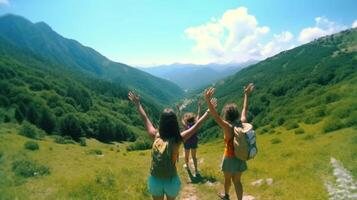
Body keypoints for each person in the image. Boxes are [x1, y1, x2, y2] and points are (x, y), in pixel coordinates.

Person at [128, 91, 214, 200]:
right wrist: (208, 110)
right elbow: (197, 126)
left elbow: (145, 118)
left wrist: (137, 104)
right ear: (175, 123)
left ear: (161, 122)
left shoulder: (155, 135)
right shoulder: (177, 139)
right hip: (171, 180)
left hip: (155, 180)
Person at [204, 83, 254, 200]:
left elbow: (215, 116)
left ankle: (226, 196)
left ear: (226, 115)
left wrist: (208, 100)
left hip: (229, 157)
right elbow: (245, 109)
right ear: (236, 114)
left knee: (227, 180)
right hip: (241, 156)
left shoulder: (227, 126)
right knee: (237, 181)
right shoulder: (242, 122)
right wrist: (246, 94)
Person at [177, 99, 202, 176]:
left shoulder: (186, 126)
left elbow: (179, 118)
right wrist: (199, 106)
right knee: (194, 157)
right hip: (194, 142)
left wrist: (178, 110)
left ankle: (187, 166)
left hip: (187, 142)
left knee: (186, 156)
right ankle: (196, 171)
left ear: (187, 120)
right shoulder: (195, 124)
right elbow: (199, 114)